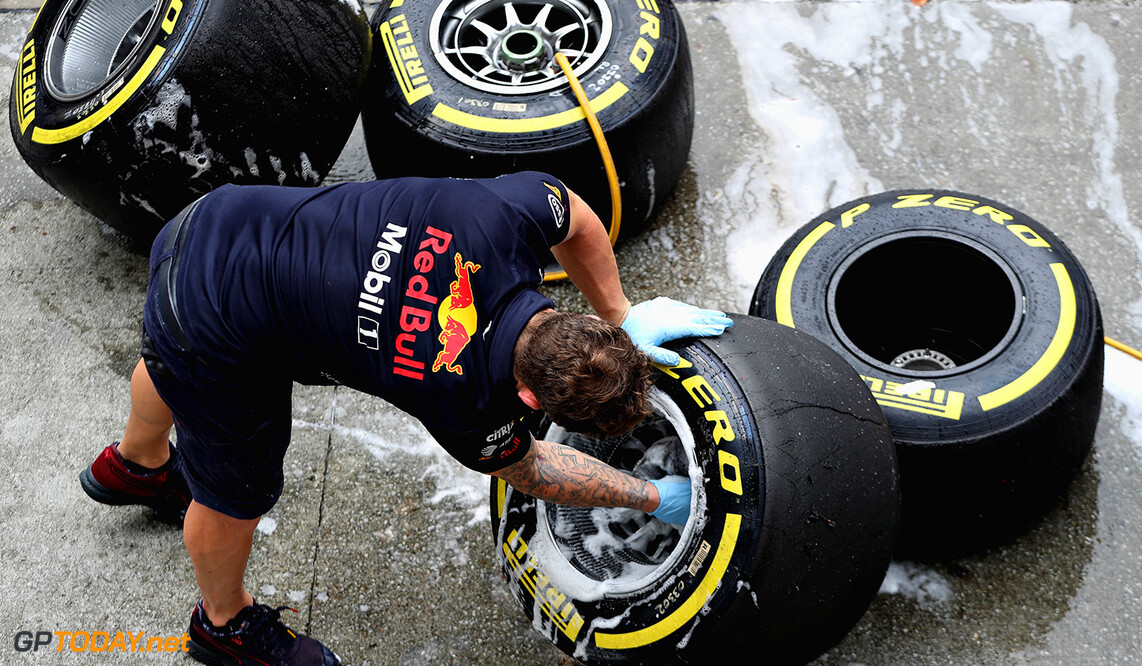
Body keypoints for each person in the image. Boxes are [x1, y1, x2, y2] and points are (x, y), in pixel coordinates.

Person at [79, 171, 732, 666]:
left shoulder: (497, 218)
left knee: (172, 358)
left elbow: (574, 213)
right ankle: (222, 625)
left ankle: (137, 464)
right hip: (215, 327)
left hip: (213, 221)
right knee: (233, 496)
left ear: (577, 316)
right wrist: (650, 496)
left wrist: (620, 316)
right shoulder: (466, 402)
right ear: (532, 403)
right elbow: (532, 470)